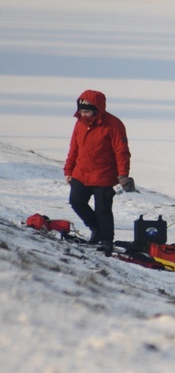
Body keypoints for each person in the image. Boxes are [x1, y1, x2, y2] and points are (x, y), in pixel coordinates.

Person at [64, 90, 131, 255]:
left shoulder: (114, 124)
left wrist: (123, 175)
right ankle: (96, 229)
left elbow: (121, 151)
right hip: (81, 173)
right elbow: (74, 148)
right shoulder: (80, 123)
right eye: (81, 111)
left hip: (105, 176)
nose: (83, 114)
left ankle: (107, 241)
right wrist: (68, 169)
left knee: (103, 210)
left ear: (97, 109)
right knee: (76, 201)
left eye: (86, 111)